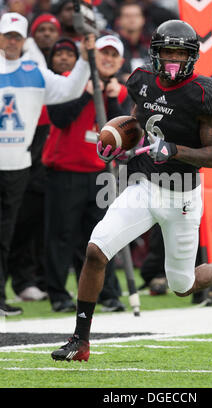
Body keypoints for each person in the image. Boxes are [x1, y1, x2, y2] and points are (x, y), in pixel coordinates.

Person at [51, 20, 212, 362]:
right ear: (155, 54)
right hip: (145, 187)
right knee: (96, 250)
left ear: (192, 57)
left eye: (180, 52)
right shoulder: (141, 81)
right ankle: (80, 340)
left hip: (183, 198)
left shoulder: (203, 92)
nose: (173, 58)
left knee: (183, 285)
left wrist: (174, 150)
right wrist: (120, 142)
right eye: (167, 51)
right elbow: (138, 118)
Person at [0, 11, 93, 316]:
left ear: (23, 40)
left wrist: (82, 60)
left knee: (6, 232)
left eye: (16, 36)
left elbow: (70, 91)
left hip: (17, 163)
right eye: (7, 36)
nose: (11, 41)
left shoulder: (35, 71)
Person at [42, 34, 130, 313]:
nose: (108, 59)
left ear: (121, 61)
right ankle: (57, 294)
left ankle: (108, 293)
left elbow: (124, 138)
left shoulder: (121, 90)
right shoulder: (71, 79)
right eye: (103, 53)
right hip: (65, 170)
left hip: (100, 173)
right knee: (61, 235)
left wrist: (114, 101)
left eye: (113, 55)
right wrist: (85, 92)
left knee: (104, 236)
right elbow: (58, 118)